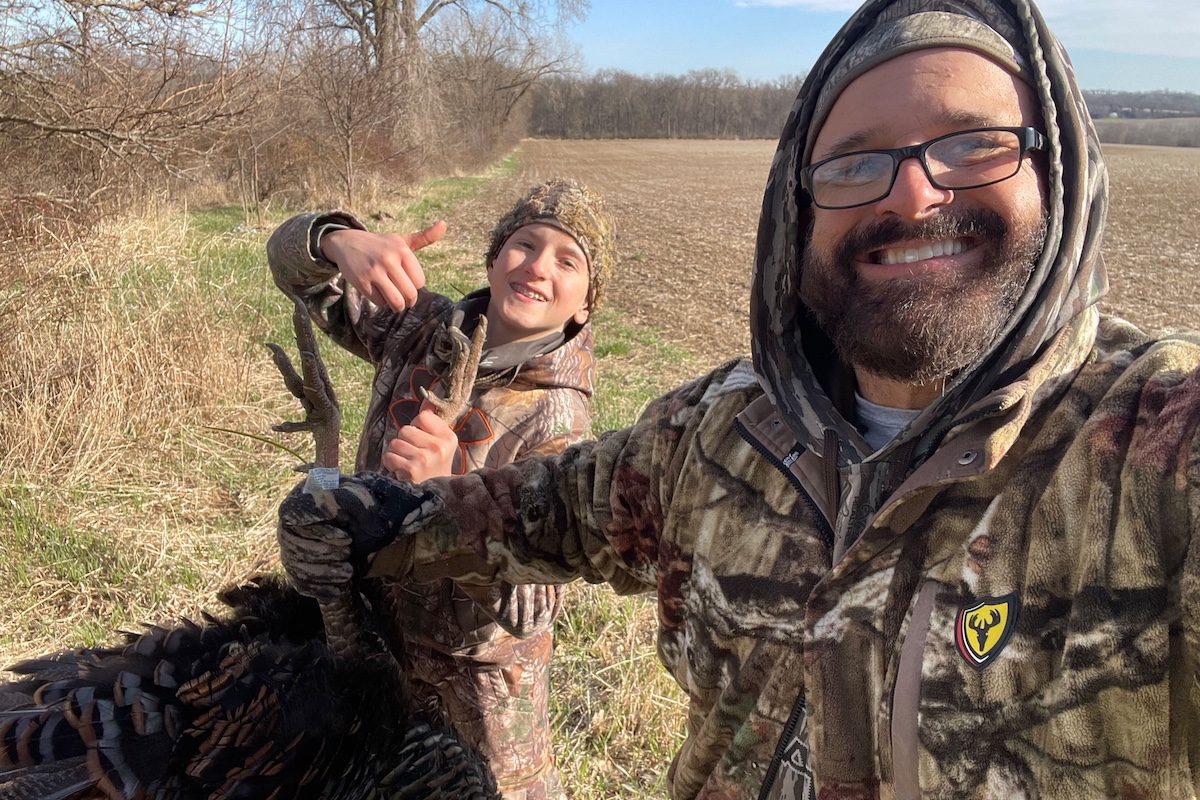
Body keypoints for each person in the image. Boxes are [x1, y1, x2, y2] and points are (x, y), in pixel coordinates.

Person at [275, 0, 1200, 797]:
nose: (915, 194)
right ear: (797, 209)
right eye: (854, 162)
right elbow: (544, 512)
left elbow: (525, 608)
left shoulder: (1151, 453)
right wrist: (385, 518)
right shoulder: (713, 435)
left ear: (1060, 172)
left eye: (974, 144)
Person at [267, 177, 616, 800]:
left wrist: (452, 494)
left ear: (587, 303)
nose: (538, 267)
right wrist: (337, 240)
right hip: (370, 634)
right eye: (525, 244)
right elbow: (292, 270)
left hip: (475, 698)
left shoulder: (560, 425)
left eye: (568, 261)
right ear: (493, 258)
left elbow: (535, 606)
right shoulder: (423, 329)